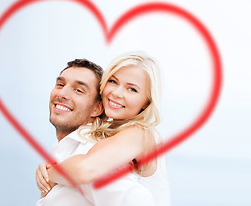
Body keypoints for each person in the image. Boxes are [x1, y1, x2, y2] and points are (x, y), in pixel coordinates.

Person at [36, 52, 170, 205]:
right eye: (113, 82)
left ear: (147, 102)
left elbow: (84, 169)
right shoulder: (103, 137)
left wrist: (50, 172)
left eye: (132, 89)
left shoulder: (140, 134)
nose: (117, 93)